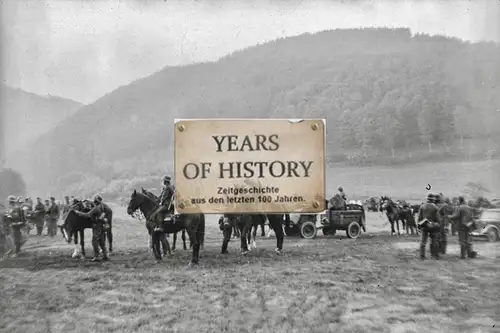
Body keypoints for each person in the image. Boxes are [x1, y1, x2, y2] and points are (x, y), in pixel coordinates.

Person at [74, 194, 109, 261]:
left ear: (95, 201)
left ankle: (97, 256)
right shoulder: (102, 207)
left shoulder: (96, 208)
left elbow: (87, 215)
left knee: (94, 241)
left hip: (97, 226)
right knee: (101, 242)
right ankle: (105, 255)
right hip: (102, 226)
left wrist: (78, 212)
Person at [417, 193, 440, 260]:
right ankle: (434, 255)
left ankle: (422, 256)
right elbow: (438, 219)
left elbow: (419, 218)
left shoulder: (422, 206)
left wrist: (419, 226)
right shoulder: (435, 207)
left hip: (424, 226)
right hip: (433, 226)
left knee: (423, 242)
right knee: (434, 241)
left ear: (427, 199)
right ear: (433, 199)